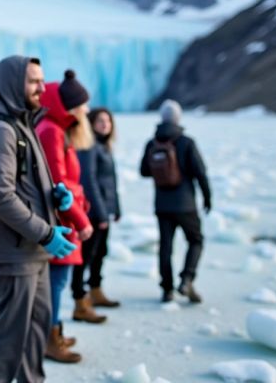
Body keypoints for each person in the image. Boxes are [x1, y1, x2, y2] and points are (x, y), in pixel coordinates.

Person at [0, 55, 77, 383]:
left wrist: (53, 196)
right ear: (14, 82)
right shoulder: (0, 130)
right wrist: (46, 233)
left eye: (42, 81)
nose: (41, 88)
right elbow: (0, 196)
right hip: (13, 251)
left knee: (34, 333)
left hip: (32, 249)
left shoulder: (22, 123)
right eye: (33, 81)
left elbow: (23, 183)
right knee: (9, 338)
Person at [34, 70, 96, 365]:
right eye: (82, 103)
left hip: (65, 216)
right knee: (56, 281)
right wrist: (80, 220)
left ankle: (53, 330)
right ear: (70, 105)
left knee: (57, 280)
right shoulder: (52, 131)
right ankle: (50, 337)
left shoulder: (57, 129)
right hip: (61, 219)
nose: (86, 109)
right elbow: (59, 183)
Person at [139, 99, 212, 303]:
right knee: (196, 240)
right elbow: (200, 172)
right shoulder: (186, 142)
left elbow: (144, 171)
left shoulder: (152, 143)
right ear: (178, 118)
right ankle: (187, 279)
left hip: (162, 205)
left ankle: (167, 290)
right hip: (186, 204)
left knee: (165, 247)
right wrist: (207, 197)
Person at [77, 107, 123, 310]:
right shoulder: (90, 146)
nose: (105, 125)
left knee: (100, 252)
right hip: (94, 211)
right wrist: (101, 213)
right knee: (87, 255)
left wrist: (116, 207)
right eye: (100, 121)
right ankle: (80, 296)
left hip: (104, 209)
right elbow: (90, 180)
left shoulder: (104, 146)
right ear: (91, 124)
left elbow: (110, 181)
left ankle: (95, 290)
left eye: (108, 121)